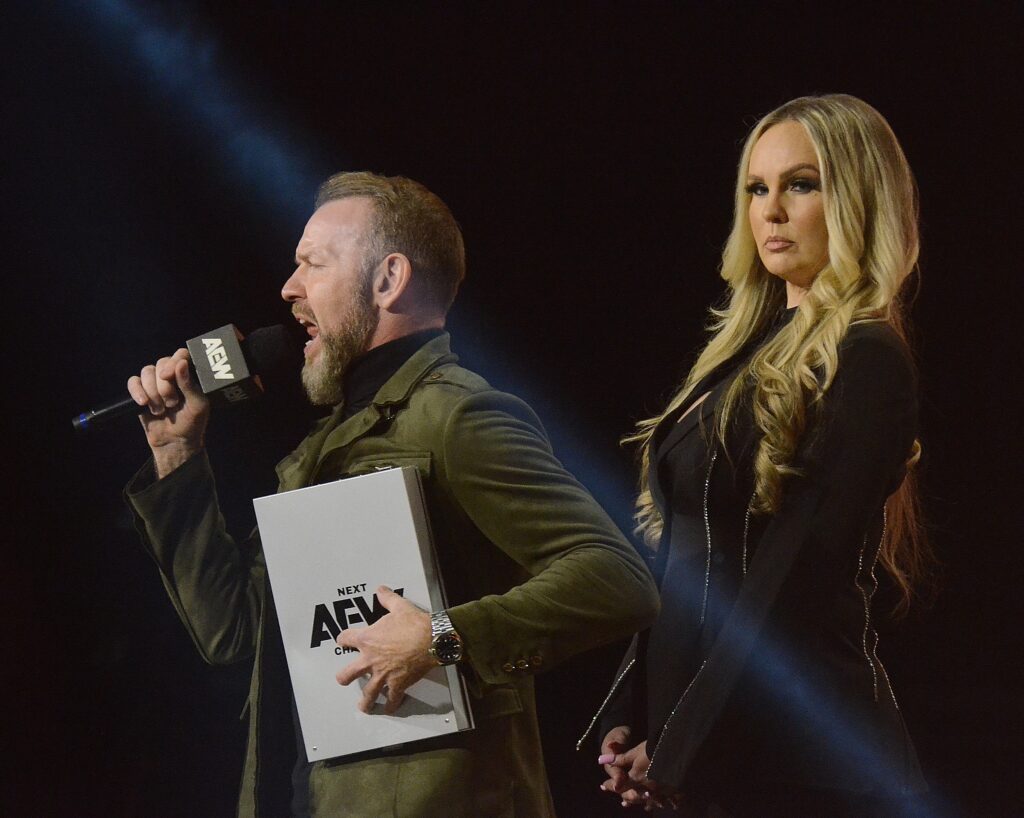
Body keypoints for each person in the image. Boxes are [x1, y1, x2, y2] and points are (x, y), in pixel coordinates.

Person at [124, 171, 660, 817]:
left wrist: (442, 637)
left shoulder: (460, 416)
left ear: (388, 279)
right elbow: (235, 631)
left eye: (312, 265)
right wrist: (176, 454)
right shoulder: (323, 449)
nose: (289, 290)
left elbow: (617, 579)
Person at [585, 95, 932, 815]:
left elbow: (791, 581)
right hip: (716, 758)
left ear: (858, 200)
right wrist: (635, 715)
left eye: (801, 184)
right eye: (757, 187)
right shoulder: (738, 357)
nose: (771, 209)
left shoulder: (867, 359)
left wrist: (679, 745)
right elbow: (686, 563)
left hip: (806, 766)